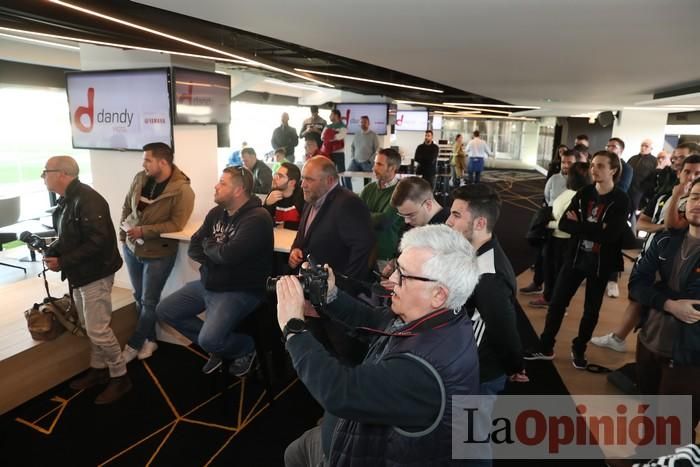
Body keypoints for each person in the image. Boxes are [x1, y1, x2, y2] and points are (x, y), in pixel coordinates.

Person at [279, 225, 481, 467]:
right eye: (396, 267)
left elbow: (341, 391)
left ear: (438, 294)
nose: (392, 280)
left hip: (361, 451)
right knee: (294, 452)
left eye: (403, 275)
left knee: (295, 454)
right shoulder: (441, 318)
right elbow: (373, 320)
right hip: (351, 436)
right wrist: (331, 294)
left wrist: (294, 330)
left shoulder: (425, 369)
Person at [156, 166, 273, 375]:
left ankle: (246, 348)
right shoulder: (217, 213)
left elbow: (226, 255)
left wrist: (211, 246)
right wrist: (216, 256)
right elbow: (194, 247)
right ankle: (220, 347)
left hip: (240, 290)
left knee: (209, 339)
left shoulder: (257, 218)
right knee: (165, 310)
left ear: (238, 190)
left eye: (223, 183)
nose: (216, 186)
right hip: (210, 282)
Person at [524, 150, 629, 369]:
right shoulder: (584, 193)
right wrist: (597, 227)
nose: (594, 169)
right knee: (557, 303)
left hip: (601, 262)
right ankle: (545, 347)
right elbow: (564, 224)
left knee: (591, 311)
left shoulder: (620, 199)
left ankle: (579, 348)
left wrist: (582, 227)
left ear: (613, 170)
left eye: (600, 165)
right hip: (574, 258)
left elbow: (612, 235)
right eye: (592, 165)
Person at [591, 154, 700, 352]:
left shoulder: (692, 205)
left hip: (674, 260)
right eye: (687, 171)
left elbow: (674, 226)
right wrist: (661, 227)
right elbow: (642, 223)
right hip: (650, 252)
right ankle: (622, 338)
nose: (691, 177)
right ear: (679, 172)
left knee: (659, 301)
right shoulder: (662, 197)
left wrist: (677, 199)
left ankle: (623, 338)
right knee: (638, 296)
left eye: (697, 173)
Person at [42, 156, 128, 404]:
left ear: (62, 174)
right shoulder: (69, 200)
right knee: (92, 326)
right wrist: (54, 250)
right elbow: (69, 236)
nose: (43, 176)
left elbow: (98, 241)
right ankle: (98, 370)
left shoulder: (88, 200)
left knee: (98, 330)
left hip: (95, 274)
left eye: (46, 171)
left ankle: (120, 376)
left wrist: (64, 261)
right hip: (82, 273)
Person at [629, 177, 700, 439]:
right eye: (694, 196)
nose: (698, 204)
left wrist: (656, 290)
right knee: (648, 413)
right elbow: (636, 284)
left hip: (689, 356)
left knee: (676, 429)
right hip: (649, 342)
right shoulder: (665, 240)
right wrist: (670, 303)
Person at [289, 156, 374, 362]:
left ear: (328, 180)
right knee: (323, 350)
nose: (303, 184)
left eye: (308, 179)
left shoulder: (348, 203)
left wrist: (341, 291)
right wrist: (295, 250)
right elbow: (303, 238)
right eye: (302, 179)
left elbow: (364, 250)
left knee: (344, 355)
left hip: (337, 299)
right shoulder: (312, 201)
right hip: (314, 294)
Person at [446, 184, 528, 395]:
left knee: (470, 427)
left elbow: (504, 329)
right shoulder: (472, 250)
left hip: (478, 372)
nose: (448, 221)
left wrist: (515, 365)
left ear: (480, 223)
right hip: (464, 360)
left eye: (456, 215)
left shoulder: (490, 275)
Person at [119, 143, 195, 363]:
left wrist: (144, 231)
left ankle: (134, 344)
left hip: (159, 253)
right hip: (132, 248)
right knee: (138, 297)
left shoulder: (182, 190)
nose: (143, 164)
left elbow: (177, 223)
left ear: (163, 162)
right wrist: (123, 237)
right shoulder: (140, 178)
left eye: (147, 160)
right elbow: (126, 207)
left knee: (149, 301)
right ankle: (150, 339)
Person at [360, 147, 403, 271]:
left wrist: (364, 216)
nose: (374, 168)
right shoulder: (368, 188)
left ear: (392, 168)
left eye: (379, 164)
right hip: (364, 250)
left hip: (385, 255)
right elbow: (354, 216)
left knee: (381, 289)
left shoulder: (401, 191)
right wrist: (373, 216)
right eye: (374, 163)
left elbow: (385, 221)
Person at [604, 137, 633, 298]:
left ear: (621, 150)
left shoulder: (627, 168)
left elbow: (622, 189)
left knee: (613, 245)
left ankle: (612, 281)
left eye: (613, 146)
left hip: (617, 210)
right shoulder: (602, 164)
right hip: (601, 207)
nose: (609, 148)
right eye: (608, 146)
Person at [264, 162, 305, 230]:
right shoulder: (273, 192)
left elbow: (305, 224)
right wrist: (267, 204)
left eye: (280, 176)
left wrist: (285, 225)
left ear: (292, 183)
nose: (274, 178)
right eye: (275, 174)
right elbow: (263, 222)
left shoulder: (302, 196)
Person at [346, 114, 380, 187]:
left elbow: (377, 150)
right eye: (361, 122)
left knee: (367, 182)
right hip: (355, 162)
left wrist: (370, 160)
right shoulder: (357, 134)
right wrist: (353, 157)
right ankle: (349, 193)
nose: (362, 124)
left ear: (368, 123)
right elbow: (352, 146)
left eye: (365, 122)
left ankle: (366, 195)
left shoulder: (373, 135)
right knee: (346, 176)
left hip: (367, 163)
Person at [627, 139, 657, 216]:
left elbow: (653, 178)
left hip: (640, 192)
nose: (643, 148)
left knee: (634, 213)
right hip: (628, 189)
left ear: (651, 149)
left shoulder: (654, 161)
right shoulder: (633, 158)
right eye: (642, 145)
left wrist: (644, 189)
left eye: (646, 146)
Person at [320, 109, 347, 183]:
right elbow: (322, 137)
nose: (329, 116)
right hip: (328, 152)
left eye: (331, 115)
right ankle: (334, 188)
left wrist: (329, 136)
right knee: (331, 173)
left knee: (342, 173)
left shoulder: (342, 126)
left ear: (336, 115)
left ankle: (347, 190)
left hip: (339, 153)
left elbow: (340, 136)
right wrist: (333, 135)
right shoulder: (328, 126)